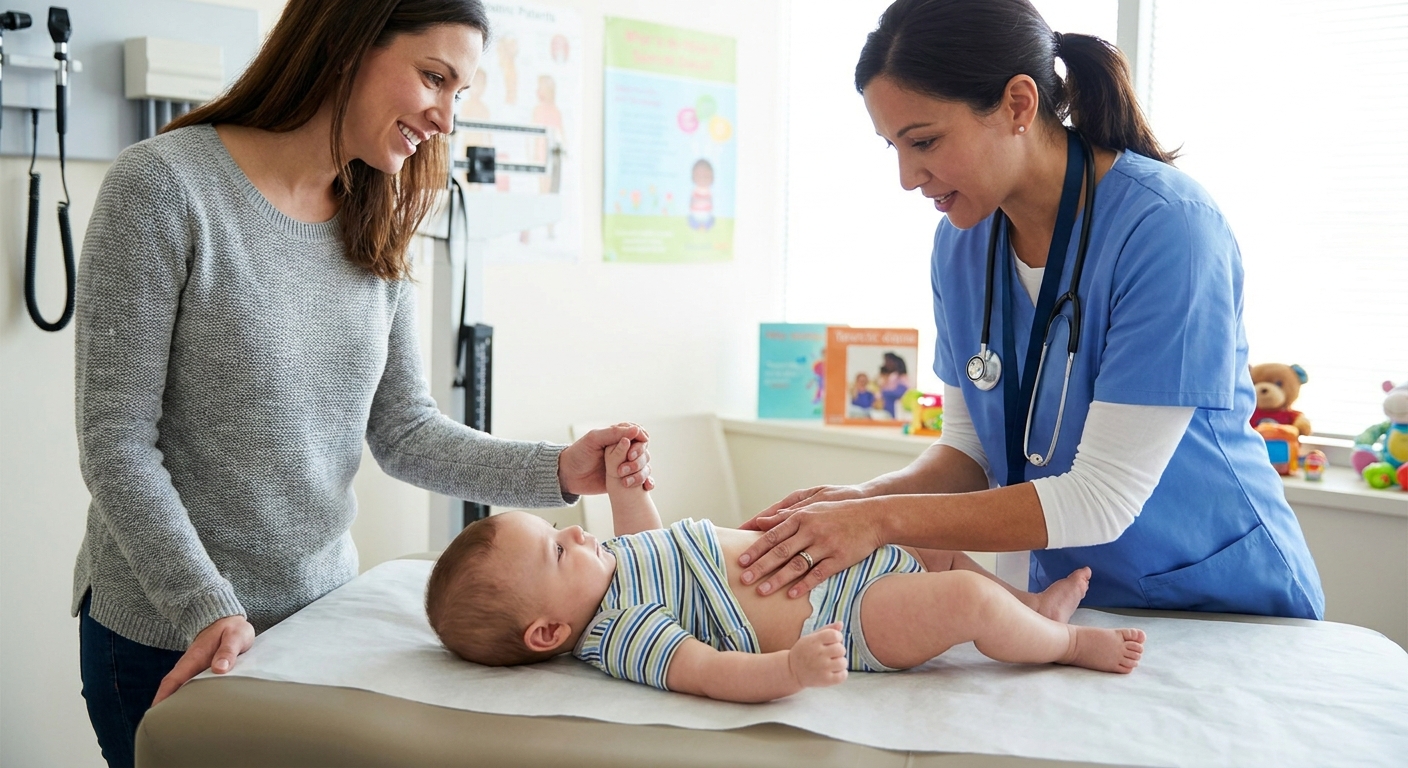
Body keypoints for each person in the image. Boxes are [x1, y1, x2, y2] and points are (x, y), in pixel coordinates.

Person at [70, 2, 652, 766]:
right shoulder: (164, 188)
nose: (445, 118)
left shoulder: (377, 217)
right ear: (346, 46)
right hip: (167, 635)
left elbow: (404, 431)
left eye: (460, 94)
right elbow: (116, 445)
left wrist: (558, 469)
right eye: (434, 77)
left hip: (319, 627)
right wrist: (205, 609)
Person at [734, 0, 1324, 623]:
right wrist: (857, 499)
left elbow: (1101, 497)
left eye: (925, 141)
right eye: (894, 148)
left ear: (1018, 104)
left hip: (1222, 602)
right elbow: (970, 453)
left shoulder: (1168, 230)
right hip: (1075, 600)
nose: (908, 177)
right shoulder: (963, 241)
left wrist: (875, 519)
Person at [425, 439, 1146, 704]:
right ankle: (1068, 645)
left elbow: (654, 541)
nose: (575, 536)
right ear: (550, 631)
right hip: (851, 622)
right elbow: (709, 672)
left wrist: (625, 479)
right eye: (556, 551)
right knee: (960, 598)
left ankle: (1032, 608)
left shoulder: (616, 568)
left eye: (558, 528)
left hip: (844, 566)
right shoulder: (621, 633)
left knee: (941, 547)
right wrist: (792, 670)